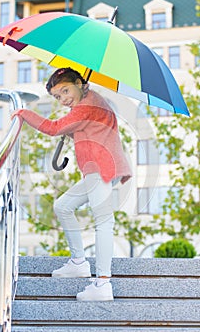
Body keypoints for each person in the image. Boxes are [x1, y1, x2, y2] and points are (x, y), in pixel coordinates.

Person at [11, 67, 132, 301]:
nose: (63, 99)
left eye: (66, 91)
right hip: (95, 171)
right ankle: (78, 262)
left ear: (80, 82)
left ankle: (103, 284)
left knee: (104, 222)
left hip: (101, 168)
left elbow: (53, 128)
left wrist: (24, 113)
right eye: (57, 96)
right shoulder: (88, 103)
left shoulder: (88, 105)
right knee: (63, 206)